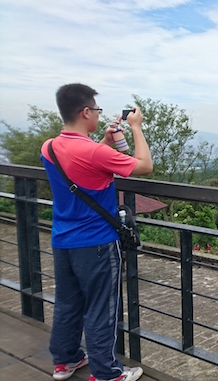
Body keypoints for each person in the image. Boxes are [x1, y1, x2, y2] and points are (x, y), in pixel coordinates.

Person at [40, 83, 153, 381]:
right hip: (97, 243)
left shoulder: (49, 147)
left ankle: (65, 361)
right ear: (86, 111)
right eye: (97, 110)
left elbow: (83, 166)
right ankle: (107, 373)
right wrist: (136, 127)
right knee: (102, 309)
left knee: (67, 303)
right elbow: (144, 166)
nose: (100, 115)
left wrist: (102, 140)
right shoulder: (91, 153)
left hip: (63, 240)